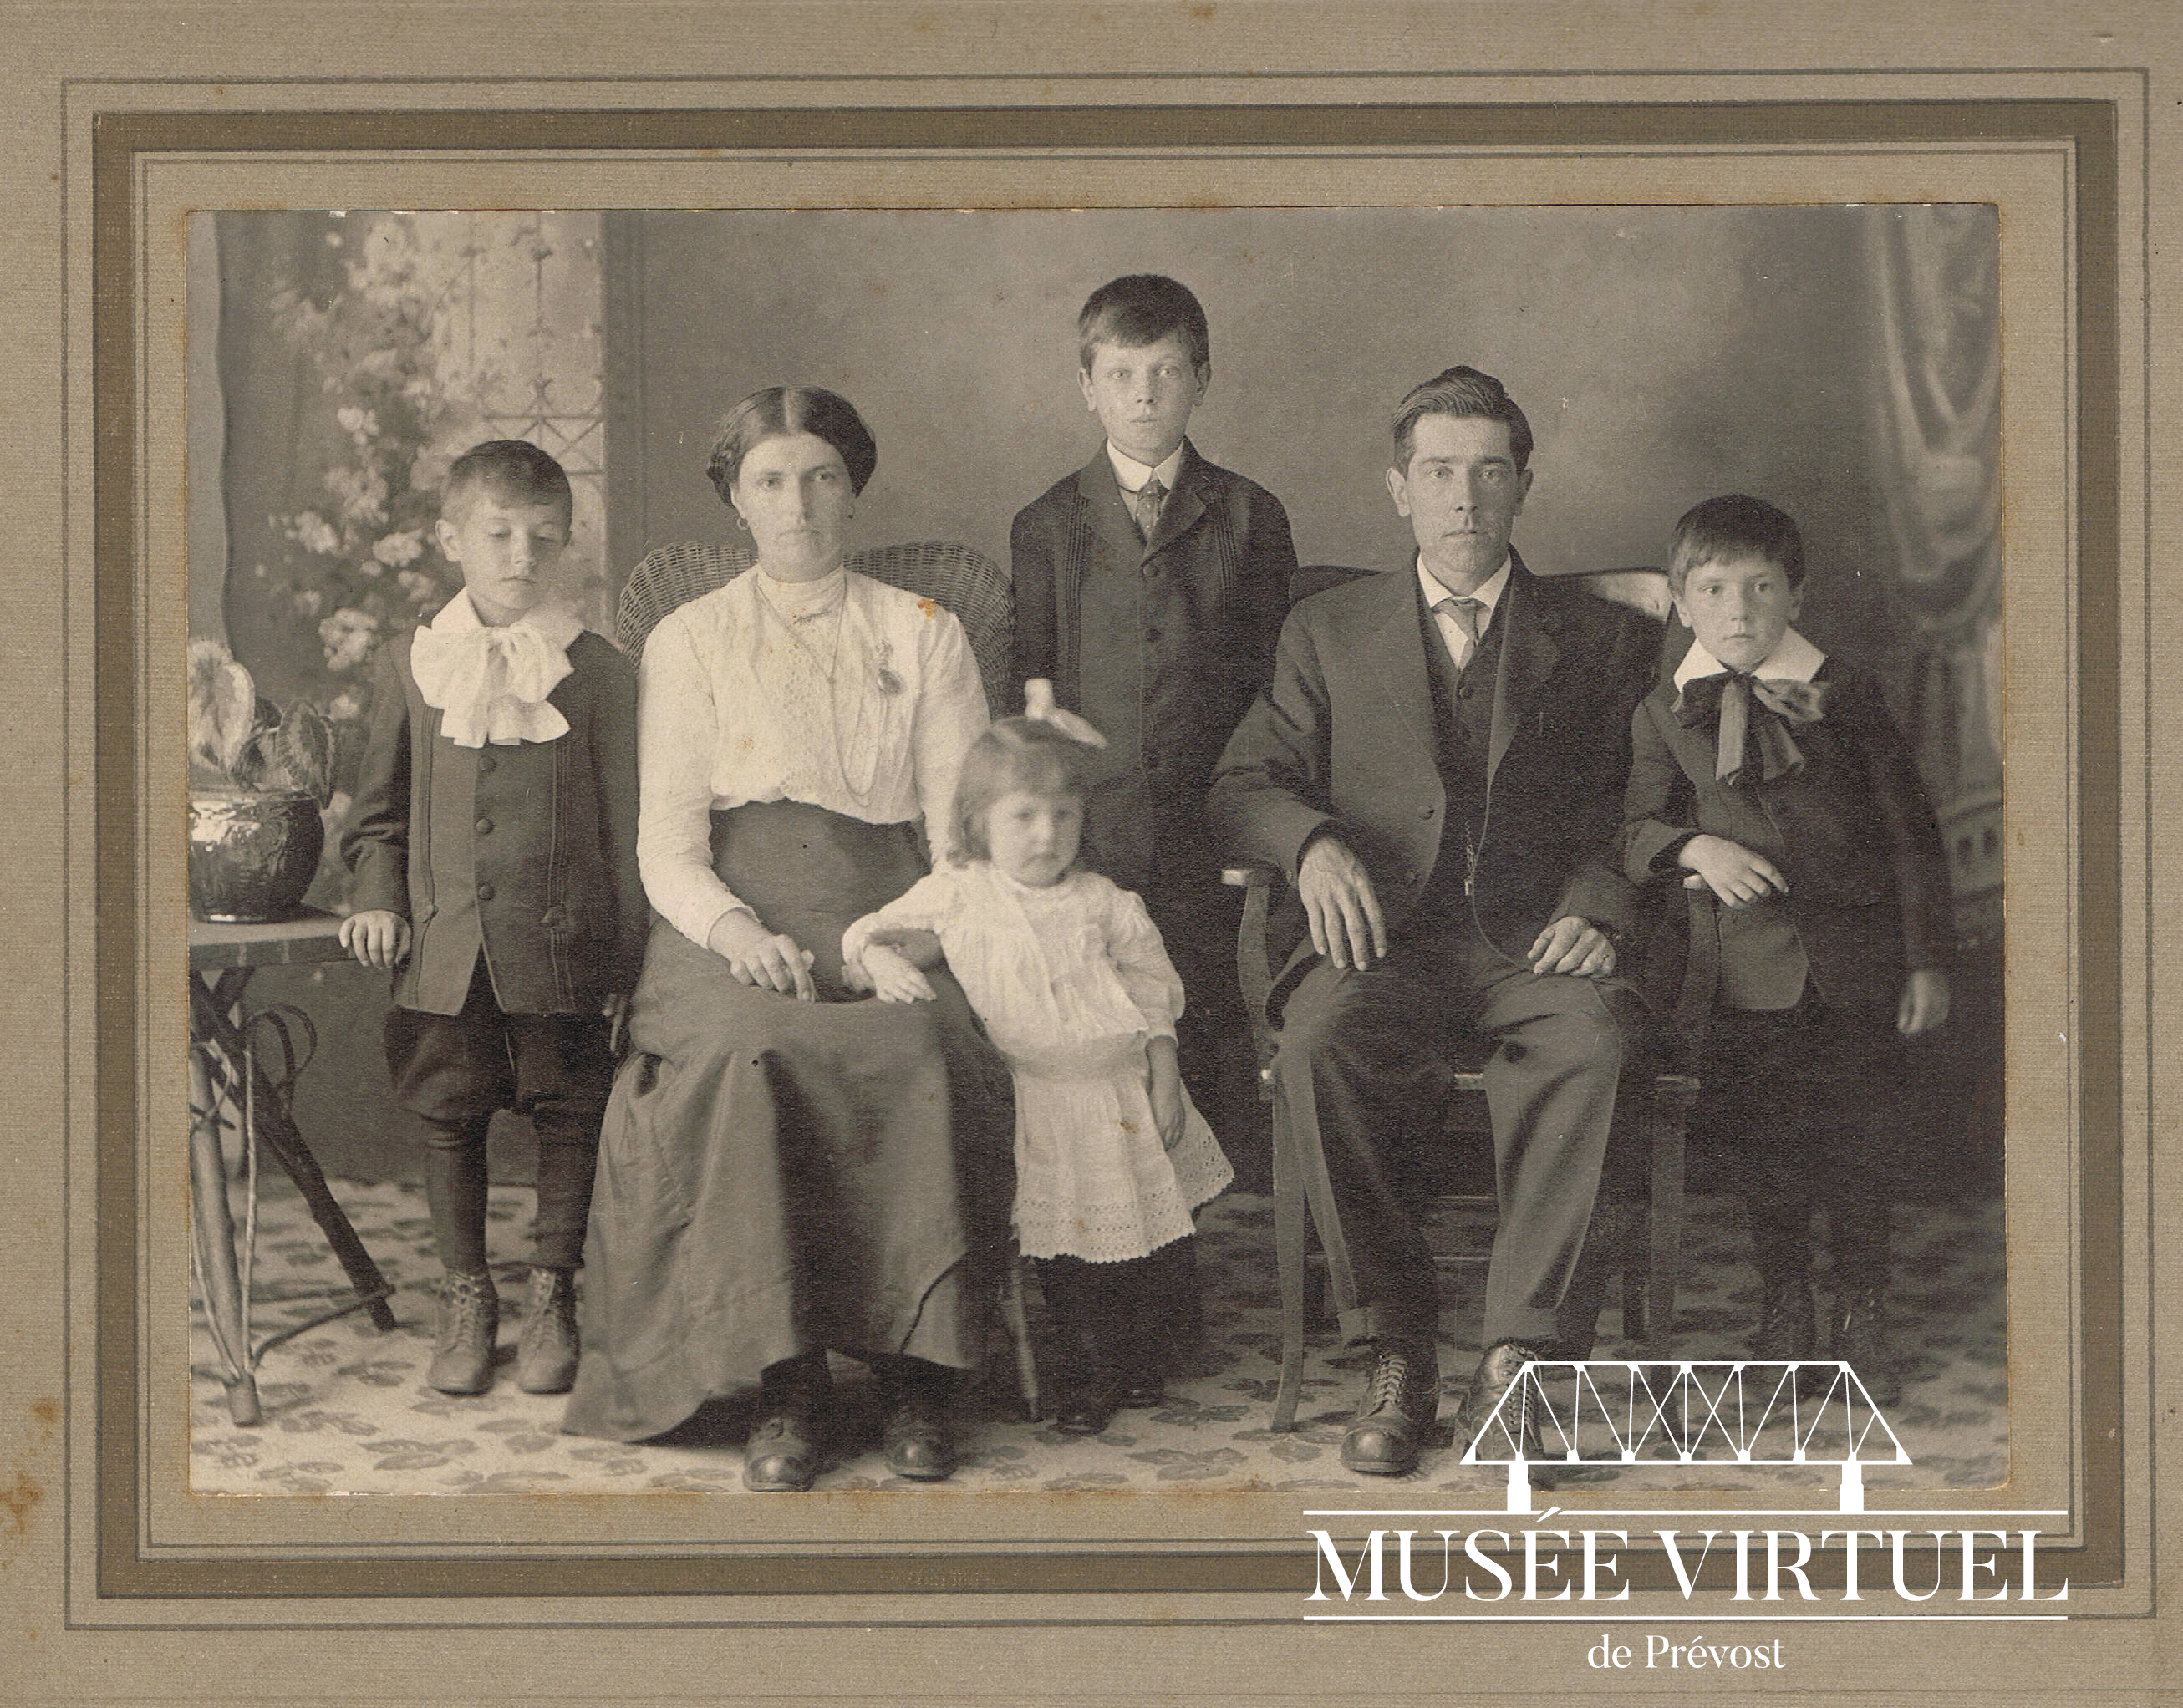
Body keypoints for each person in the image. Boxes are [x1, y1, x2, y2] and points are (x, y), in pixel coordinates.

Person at [1207, 366, 1661, 1477]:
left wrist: (1603, 902)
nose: (1465, 496)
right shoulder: (1327, 628)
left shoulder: (1604, 639)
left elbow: (1654, 802)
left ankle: (1523, 1360)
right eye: (1440, 472)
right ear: (1398, 489)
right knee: (1324, 1042)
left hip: (1537, 940)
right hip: (1381, 939)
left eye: (1490, 471)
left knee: (1596, 1044)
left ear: (1524, 485)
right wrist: (1311, 844)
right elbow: (1244, 780)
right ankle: (1396, 1352)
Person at [559, 386, 1012, 1492]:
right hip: (726, 913)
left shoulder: (923, 632)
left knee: (926, 1044)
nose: (798, 504)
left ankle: (918, 1370)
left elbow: (963, 836)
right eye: (771, 481)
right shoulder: (691, 638)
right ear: (738, 499)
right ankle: (787, 1376)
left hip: (894, 905)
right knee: (746, 1049)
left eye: (820, 478)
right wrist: (734, 927)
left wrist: (889, 938)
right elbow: (667, 843)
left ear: (852, 491)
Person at [1619, 494, 1952, 1404]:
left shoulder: (1845, 694)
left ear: (1794, 595)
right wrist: (1694, 846)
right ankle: (1784, 1306)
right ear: (1682, 602)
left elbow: (1909, 835)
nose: (1738, 611)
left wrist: (1923, 959)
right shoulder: (1662, 709)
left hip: (1856, 966)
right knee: (1767, 1146)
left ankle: (1862, 1307)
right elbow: (1633, 824)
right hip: (1744, 971)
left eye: (1760, 587)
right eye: (1714, 588)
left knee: (1856, 1141)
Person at [842, 694, 1234, 1437]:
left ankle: (1136, 1353)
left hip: (1118, 1087)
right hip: (1036, 1097)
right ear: (978, 821)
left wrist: (1165, 1070)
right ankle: (1093, 1366)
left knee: (1147, 1235)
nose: (1046, 835)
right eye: (1023, 816)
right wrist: (874, 959)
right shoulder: (960, 895)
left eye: (1064, 817)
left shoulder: (1106, 902)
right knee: (1071, 1250)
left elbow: (1154, 993)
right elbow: (869, 930)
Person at [339, 439, 644, 1398]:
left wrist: (629, 964)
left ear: (565, 548)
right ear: (451, 539)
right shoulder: (413, 662)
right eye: (499, 534)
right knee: (449, 1116)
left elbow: (630, 822)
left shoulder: (594, 671)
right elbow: (376, 814)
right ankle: (467, 1296)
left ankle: (554, 1291)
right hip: (446, 947)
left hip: (562, 947)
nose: (521, 555)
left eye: (543, 539)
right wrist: (379, 897)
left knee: (567, 1114)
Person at [1011, 274, 1298, 1186]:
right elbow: (1033, 685)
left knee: (1211, 1012)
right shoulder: (1047, 524)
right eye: (1122, 373)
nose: (1144, 395)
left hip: (1214, 818)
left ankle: (1231, 1207)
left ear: (1201, 381)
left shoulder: (1250, 516)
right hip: (1097, 825)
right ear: (1086, 386)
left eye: (1166, 371)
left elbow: (1272, 683)